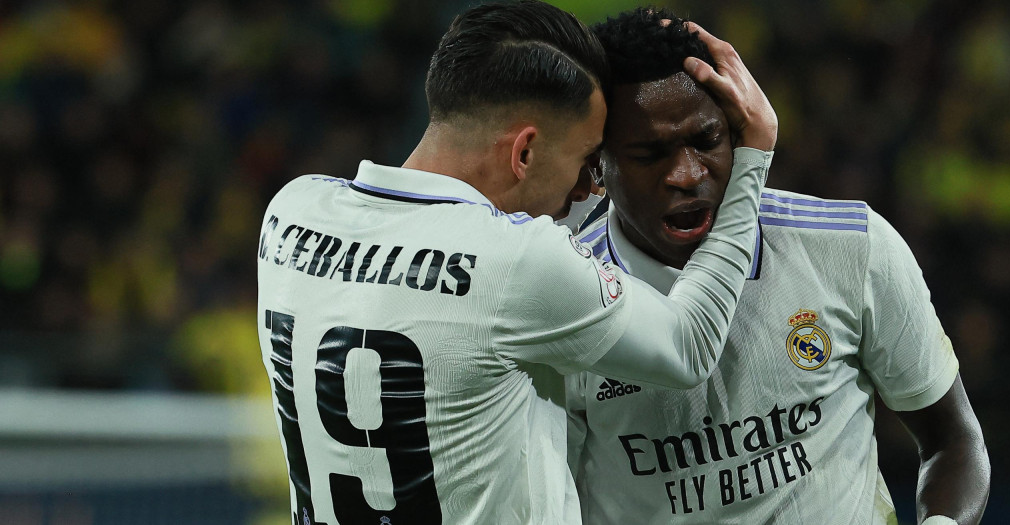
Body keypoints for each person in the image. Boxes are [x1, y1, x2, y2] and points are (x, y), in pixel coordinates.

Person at [255, 1, 778, 524]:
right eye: (583, 159)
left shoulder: (292, 212)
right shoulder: (514, 262)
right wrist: (754, 154)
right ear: (524, 152)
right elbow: (687, 346)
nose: (586, 189)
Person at [566, 9, 991, 525]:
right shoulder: (562, 293)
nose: (686, 174)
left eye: (705, 141)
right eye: (649, 154)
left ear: (738, 134)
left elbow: (951, 439)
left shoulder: (849, 247)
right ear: (598, 165)